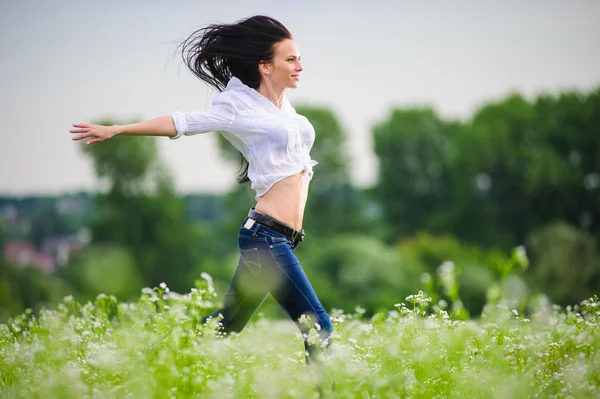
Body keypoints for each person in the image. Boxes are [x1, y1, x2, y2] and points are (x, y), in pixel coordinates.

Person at [69, 15, 333, 366]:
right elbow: (181, 123)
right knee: (319, 328)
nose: (300, 65)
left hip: (276, 237)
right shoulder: (236, 107)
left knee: (225, 326)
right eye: (291, 59)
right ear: (265, 66)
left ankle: (145, 361)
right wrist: (118, 129)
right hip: (267, 240)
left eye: (299, 57)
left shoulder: (284, 108)